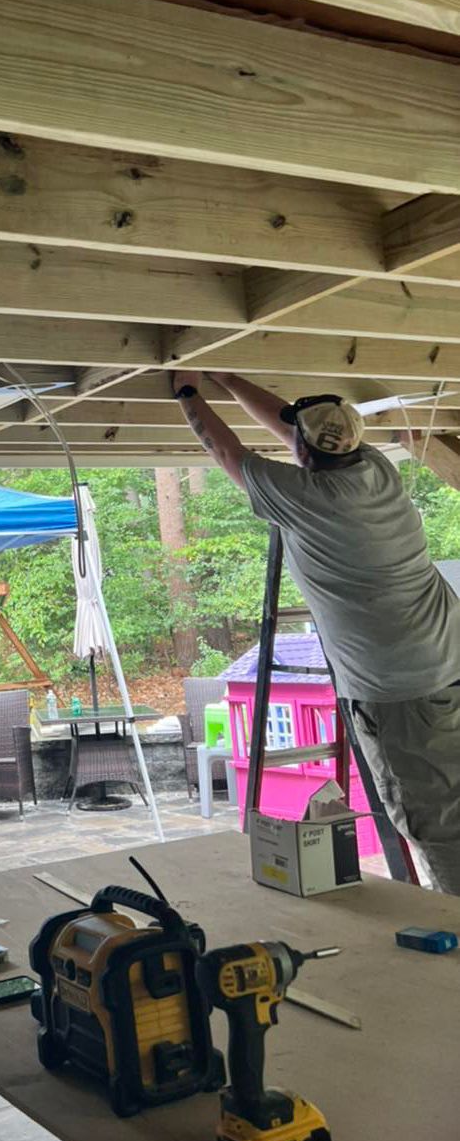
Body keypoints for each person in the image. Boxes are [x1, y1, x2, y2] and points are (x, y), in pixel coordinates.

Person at [170, 366, 460, 895]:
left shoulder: (306, 498)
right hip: (449, 661)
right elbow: (295, 429)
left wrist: (188, 390)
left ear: (305, 453)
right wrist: (226, 378)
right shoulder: (376, 470)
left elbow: (227, 453)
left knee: (437, 824)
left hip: (401, 693)